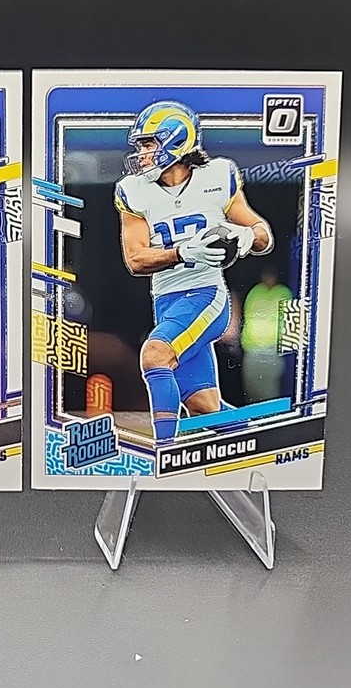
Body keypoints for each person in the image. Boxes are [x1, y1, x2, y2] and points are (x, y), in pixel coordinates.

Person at [114, 101, 273, 446]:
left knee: (154, 355)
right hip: (166, 300)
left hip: (206, 294)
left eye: (148, 143)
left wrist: (246, 238)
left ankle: (163, 454)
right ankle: (263, 441)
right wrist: (183, 252)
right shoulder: (133, 190)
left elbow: (262, 234)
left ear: (175, 140)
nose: (141, 154)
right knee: (204, 407)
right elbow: (136, 259)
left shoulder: (217, 175)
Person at [241, 267, 293, 403]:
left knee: (269, 392)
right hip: (252, 350)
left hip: (272, 350)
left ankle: (270, 414)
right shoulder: (255, 292)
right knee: (252, 389)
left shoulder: (283, 292)